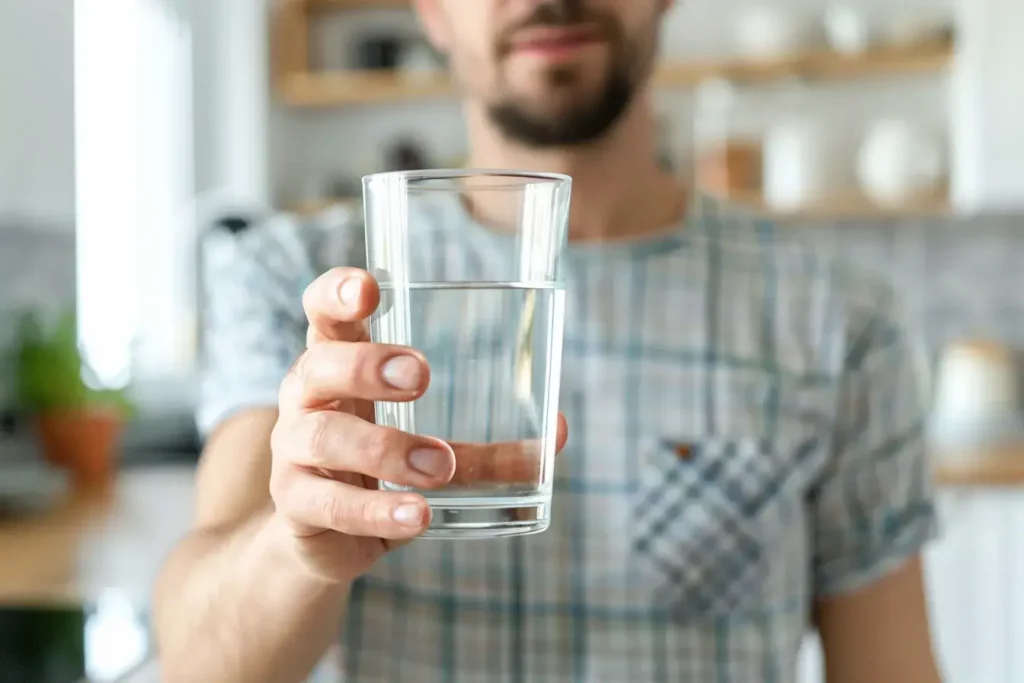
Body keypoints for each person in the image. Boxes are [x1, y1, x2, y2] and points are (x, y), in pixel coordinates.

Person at [154, 1, 944, 681]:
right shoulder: (293, 282)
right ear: (431, 9)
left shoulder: (843, 323)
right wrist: (295, 550)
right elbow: (193, 662)